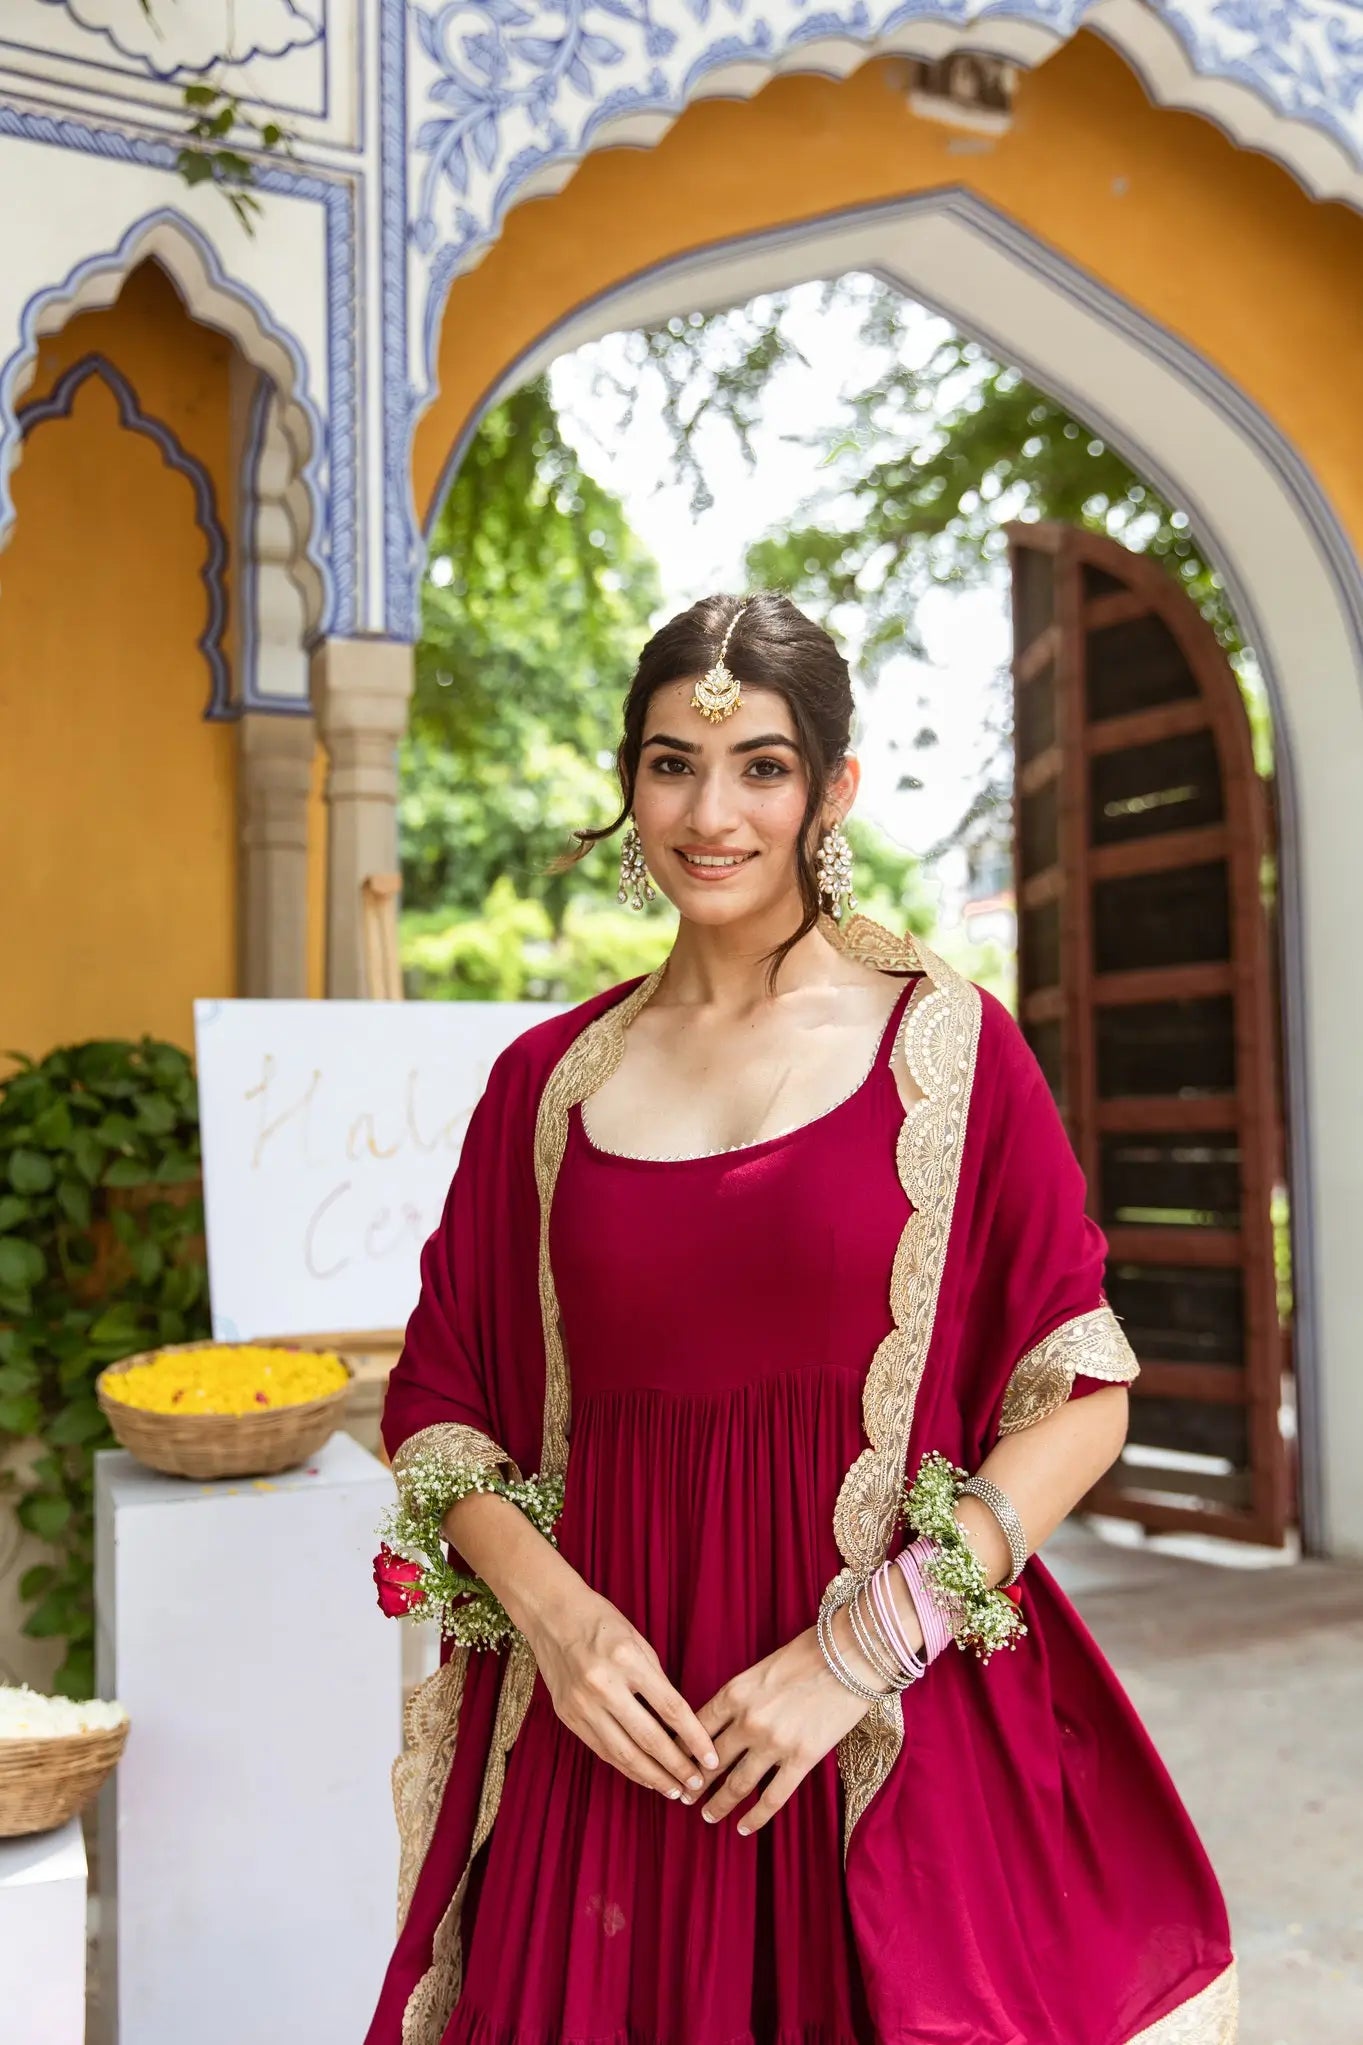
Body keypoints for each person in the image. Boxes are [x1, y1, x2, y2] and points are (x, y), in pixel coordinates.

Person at [364, 592, 1236, 2045]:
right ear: (627, 776)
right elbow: (440, 1401)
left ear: (832, 787)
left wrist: (853, 1655)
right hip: (611, 1753)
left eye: (762, 766)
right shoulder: (545, 1087)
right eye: (671, 764)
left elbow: (1080, 1393)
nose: (712, 812)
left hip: (863, 1740)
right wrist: (559, 1624)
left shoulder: (949, 1051)